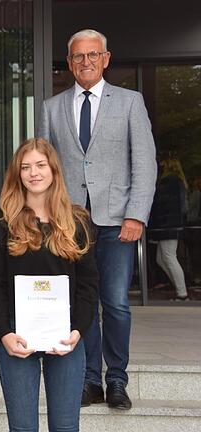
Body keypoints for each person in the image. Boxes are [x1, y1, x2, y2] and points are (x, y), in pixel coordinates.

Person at [36, 28, 157, 410]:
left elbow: (145, 163)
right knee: (79, 301)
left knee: (116, 302)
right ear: (69, 62)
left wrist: (136, 215)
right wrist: (44, 216)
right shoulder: (51, 108)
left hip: (118, 220)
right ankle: (89, 380)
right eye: (77, 57)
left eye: (93, 55)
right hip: (68, 222)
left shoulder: (131, 102)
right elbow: (42, 167)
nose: (85, 62)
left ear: (105, 58)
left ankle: (117, 379)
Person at [0, 138, 98, 432]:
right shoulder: (2, 222)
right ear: (17, 174)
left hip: (66, 337)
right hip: (17, 335)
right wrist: (4, 333)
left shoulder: (77, 221)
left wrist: (77, 331)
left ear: (54, 170)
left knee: (66, 427)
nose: (34, 173)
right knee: (22, 428)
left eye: (40, 165)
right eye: (26, 167)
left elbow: (89, 284)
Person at [148, 156, 189, 300]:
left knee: (168, 257)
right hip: (170, 225)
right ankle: (180, 288)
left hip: (167, 225)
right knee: (162, 258)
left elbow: (162, 205)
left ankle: (182, 293)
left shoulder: (169, 182)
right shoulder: (177, 182)